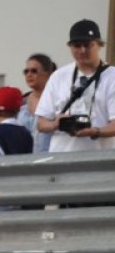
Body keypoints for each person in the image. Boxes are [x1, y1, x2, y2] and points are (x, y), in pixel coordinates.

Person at [36, 19, 115, 153]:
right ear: (70, 47)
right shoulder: (59, 76)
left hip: (99, 162)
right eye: (77, 46)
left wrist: (95, 131)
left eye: (88, 45)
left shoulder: (111, 76)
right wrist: (55, 124)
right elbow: (41, 123)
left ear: (99, 45)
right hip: (61, 159)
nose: (82, 51)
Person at [19, 53, 57, 152]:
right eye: (26, 71)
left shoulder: (57, 101)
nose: (29, 75)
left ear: (47, 73)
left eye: (34, 71)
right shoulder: (21, 102)